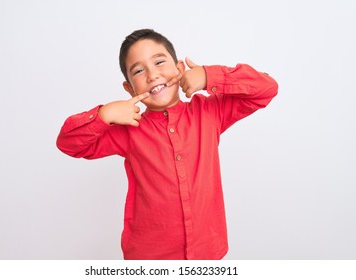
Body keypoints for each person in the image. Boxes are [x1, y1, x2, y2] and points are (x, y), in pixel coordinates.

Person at [56, 28, 278, 260]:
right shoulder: (128, 129)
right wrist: (103, 114)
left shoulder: (209, 112)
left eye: (159, 62)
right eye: (139, 70)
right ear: (130, 89)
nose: (152, 75)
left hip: (207, 252)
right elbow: (69, 144)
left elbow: (266, 89)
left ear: (179, 69)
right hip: (151, 257)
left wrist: (209, 76)